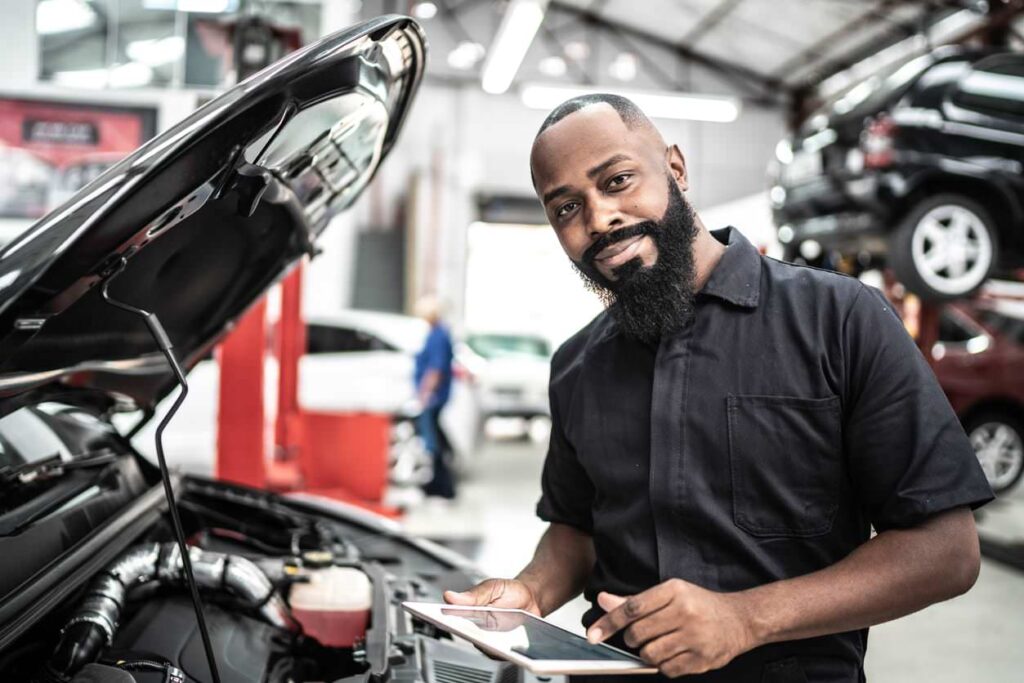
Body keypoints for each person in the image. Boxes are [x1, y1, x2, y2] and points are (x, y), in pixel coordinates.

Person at [442, 94, 994, 682]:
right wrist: (531, 591)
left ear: (675, 168)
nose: (599, 219)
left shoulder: (840, 319)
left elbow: (946, 551)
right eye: (566, 208)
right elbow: (577, 530)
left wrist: (747, 617)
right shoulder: (578, 365)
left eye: (619, 180)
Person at [414, 296, 456, 500]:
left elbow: (435, 369)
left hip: (434, 397)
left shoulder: (438, 335)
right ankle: (439, 483)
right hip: (437, 396)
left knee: (433, 441)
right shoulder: (438, 333)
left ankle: (442, 485)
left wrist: (424, 393)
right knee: (436, 438)